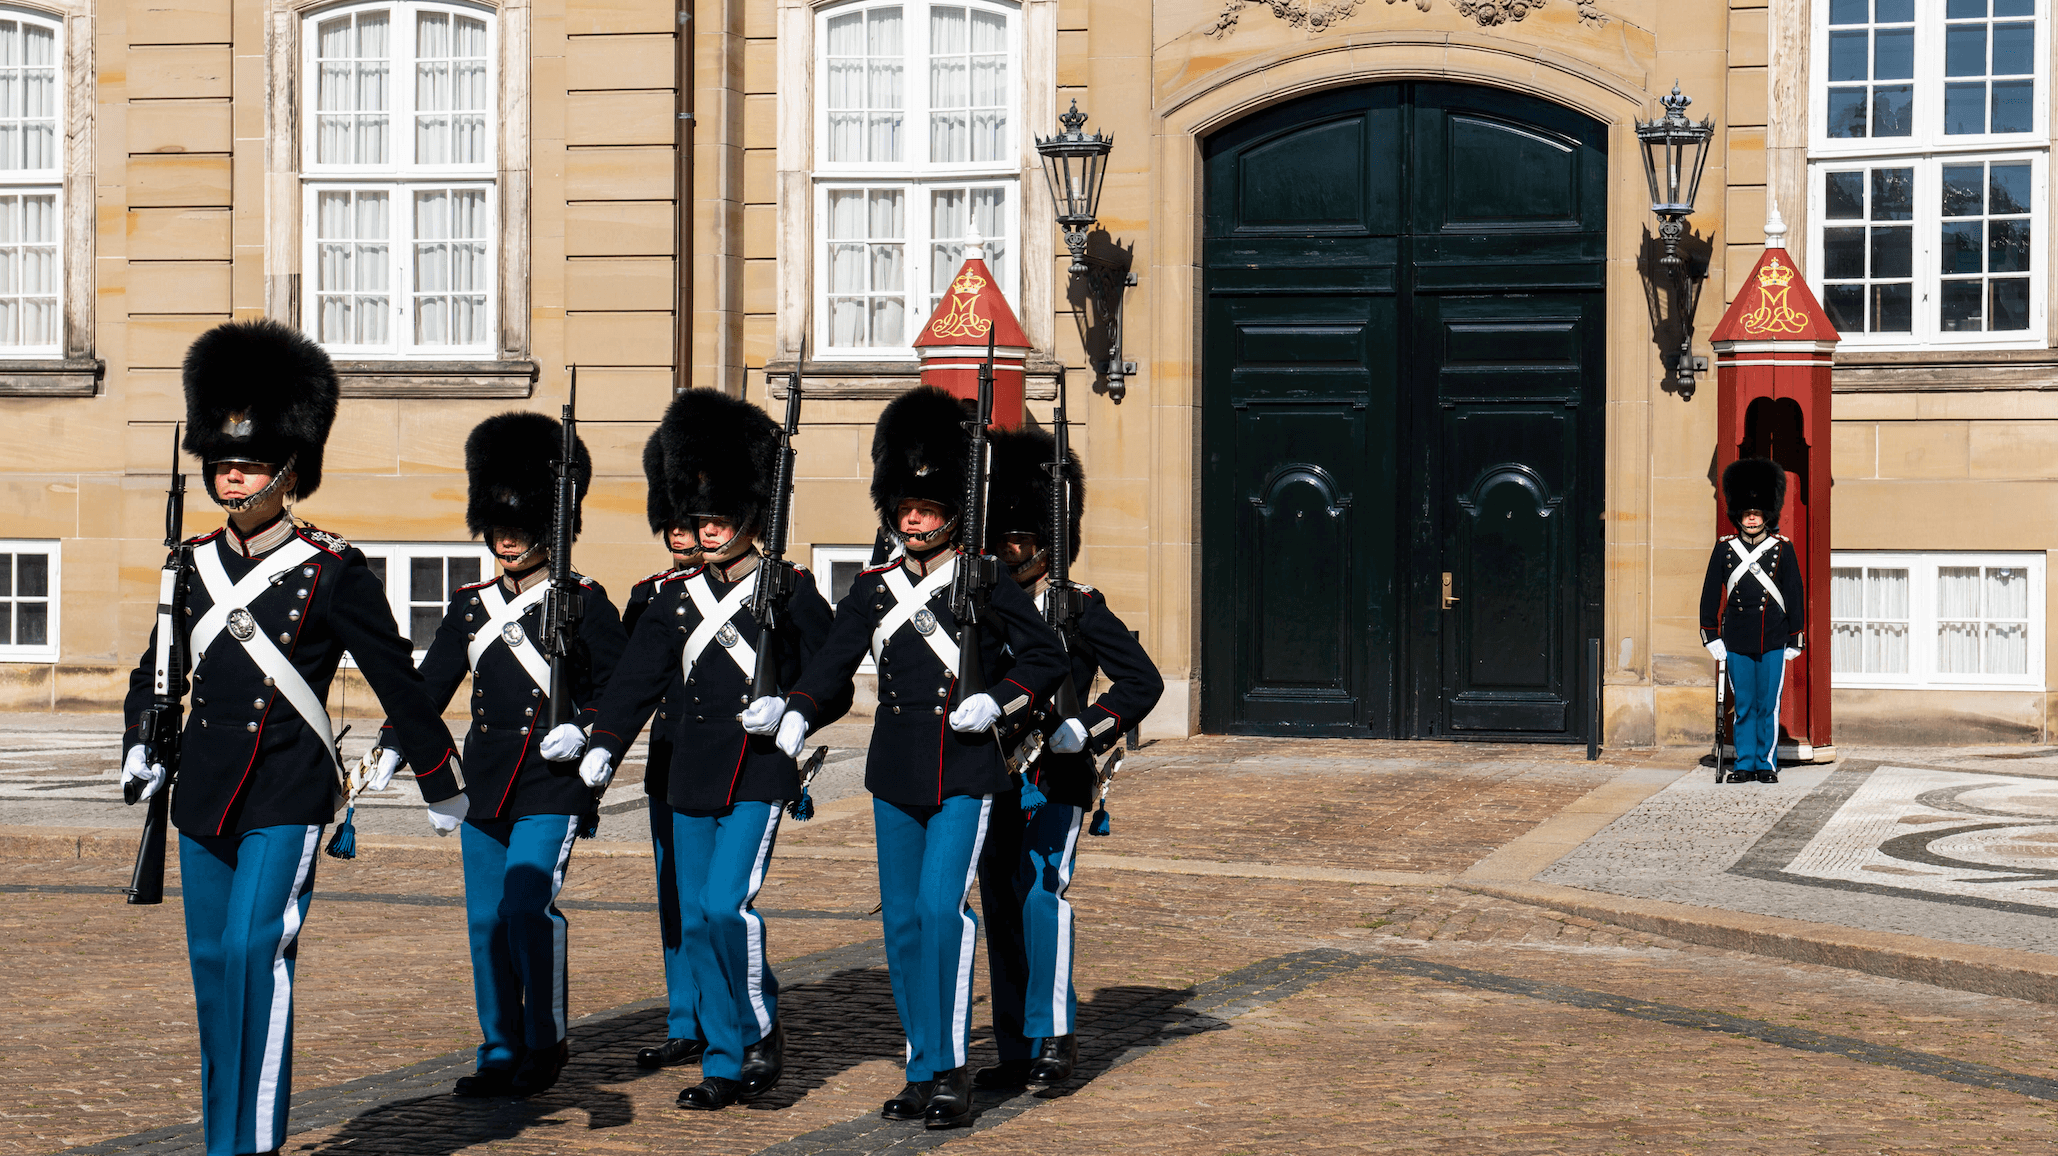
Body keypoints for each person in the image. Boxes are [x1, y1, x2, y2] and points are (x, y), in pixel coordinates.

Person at [119, 319, 469, 1156]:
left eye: (247, 463)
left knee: (254, 953)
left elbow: (397, 678)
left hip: (286, 788)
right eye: (222, 462)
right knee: (214, 968)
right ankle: (224, 1142)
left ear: (288, 469)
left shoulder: (332, 569)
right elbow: (155, 671)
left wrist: (439, 775)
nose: (231, 475)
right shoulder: (190, 565)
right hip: (204, 793)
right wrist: (139, 742)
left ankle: (254, 1144)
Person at [739, 386, 1069, 1129]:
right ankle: (922, 1066)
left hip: (966, 770)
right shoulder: (873, 587)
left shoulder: (985, 578)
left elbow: (1045, 658)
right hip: (895, 771)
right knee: (902, 928)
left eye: (925, 507)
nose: (913, 519)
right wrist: (797, 708)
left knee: (940, 912)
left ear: (952, 509)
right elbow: (832, 664)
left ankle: (951, 1071)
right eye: (904, 507)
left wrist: (1002, 699)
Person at [579, 389, 839, 1109]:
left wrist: (795, 708)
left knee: (727, 906)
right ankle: (723, 1061)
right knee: (695, 919)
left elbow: (833, 674)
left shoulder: (789, 590)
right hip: (690, 773)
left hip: (758, 771)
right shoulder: (674, 598)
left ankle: (759, 1030)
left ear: (750, 514)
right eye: (701, 516)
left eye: (721, 514)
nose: (710, 526)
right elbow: (636, 681)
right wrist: (604, 744)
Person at [364, 411, 627, 1098]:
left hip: (552, 781)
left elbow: (621, 690)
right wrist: (396, 744)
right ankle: (500, 1047)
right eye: (497, 525)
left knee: (525, 907)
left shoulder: (585, 604)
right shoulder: (472, 606)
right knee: (486, 922)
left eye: (521, 524)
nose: (506, 538)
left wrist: (587, 730)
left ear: (552, 525)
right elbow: (428, 686)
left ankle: (545, 1039)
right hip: (483, 784)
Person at [975, 424, 1162, 1089]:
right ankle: (1015, 1048)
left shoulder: (1077, 608)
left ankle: (1055, 1037)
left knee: (1041, 899)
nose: (1009, 549)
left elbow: (1142, 681)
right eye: (1001, 538)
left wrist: (1088, 727)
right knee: (1000, 905)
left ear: (1047, 543)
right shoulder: (980, 607)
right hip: (991, 772)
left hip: (1054, 772)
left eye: (1020, 539)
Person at [624, 426, 708, 1071]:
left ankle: (728, 1014)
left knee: (720, 901)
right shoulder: (649, 594)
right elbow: (626, 682)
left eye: (690, 522)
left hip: (732, 756)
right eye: (673, 523)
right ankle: (685, 1017)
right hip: (670, 755)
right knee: (674, 894)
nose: (680, 534)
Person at [1700, 458, 1804, 785]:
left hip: (1773, 638)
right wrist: (1710, 635)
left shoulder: (1782, 549)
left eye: (1757, 513)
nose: (1752, 518)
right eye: (1747, 513)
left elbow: (1794, 593)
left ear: (1766, 515)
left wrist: (1795, 636)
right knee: (1744, 705)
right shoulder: (1725, 549)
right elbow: (1710, 593)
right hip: (1737, 639)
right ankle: (1744, 762)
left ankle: (1766, 763)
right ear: (1739, 516)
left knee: (1767, 705)